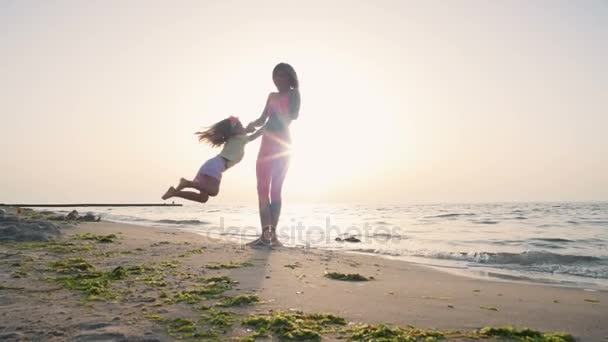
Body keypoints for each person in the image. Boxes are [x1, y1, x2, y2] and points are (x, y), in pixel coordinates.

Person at [246, 63, 300, 247]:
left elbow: (290, 117)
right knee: (262, 189)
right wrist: (251, 127)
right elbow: (264, 118)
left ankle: (272, 237)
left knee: (275, 191)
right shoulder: (271, 96)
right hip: (266, 145)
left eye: (281, 76)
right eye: (275, 76)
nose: (277, 79)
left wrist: (260, 130)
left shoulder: (294, 94)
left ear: (290, 77)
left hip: (282, 145)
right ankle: (266, 236)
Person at [162, 116, 264, 203]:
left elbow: (240, 132)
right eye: (241, 126)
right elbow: (255, 135)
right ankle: (187, 183)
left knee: (203, 198)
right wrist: (268, 126)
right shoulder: (241, 138)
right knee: (214, 192)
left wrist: (247, 129)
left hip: (211, 165)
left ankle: (174, 192)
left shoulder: (235, 138)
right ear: (235, 131)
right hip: (215, 167)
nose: (243, 127)